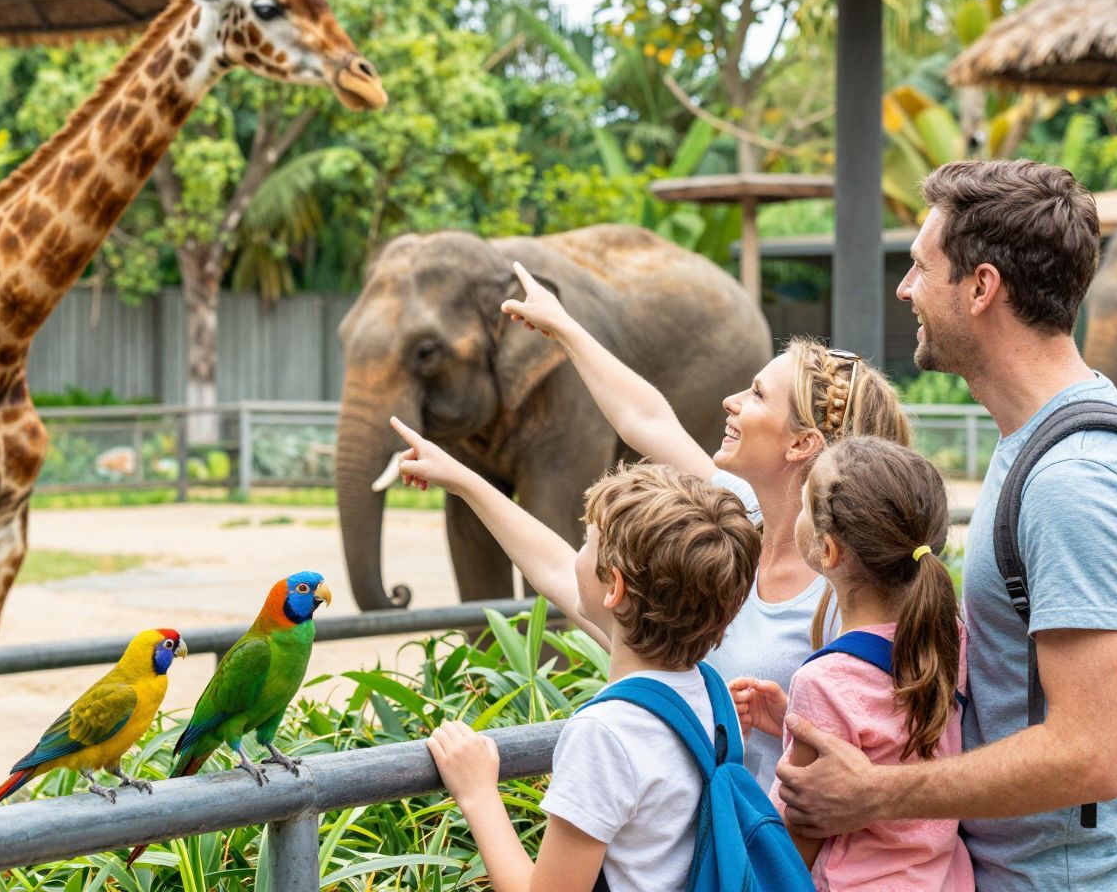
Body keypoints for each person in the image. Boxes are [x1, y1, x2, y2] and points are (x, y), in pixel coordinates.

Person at [775, 160, 1117, 892]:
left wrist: (875, 793)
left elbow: (1089, 753)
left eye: (919, 269)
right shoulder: (1041, 437)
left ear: (981, 287)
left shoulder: (1075, 482)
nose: (906, 291)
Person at [497, 264, 910, 782]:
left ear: (801, 444)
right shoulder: (742, 511)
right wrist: (563, 327)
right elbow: (646, 420)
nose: (731, 401)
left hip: (777, 847)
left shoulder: (843, 589)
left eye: (757, 395)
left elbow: (869, 753)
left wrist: (788, 724)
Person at [405, 449, 760, 892]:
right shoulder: (714, 694)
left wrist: (477, 794)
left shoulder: (605, 734)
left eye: (587, 543)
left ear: (613, 586)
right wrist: (464, 480)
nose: (575, 557)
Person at [735, 436, 972, 890]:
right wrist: (792, 721)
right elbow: (889, 735)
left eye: (804, 505)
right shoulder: (948, 635)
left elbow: (795, 844)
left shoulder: (825, 680)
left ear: (828, 552)